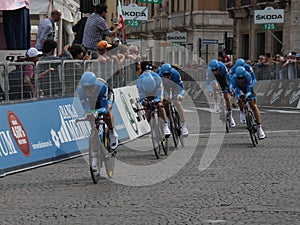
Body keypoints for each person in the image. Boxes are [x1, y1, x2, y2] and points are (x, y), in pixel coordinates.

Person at [77, 72, 119, 151]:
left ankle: (112, 132)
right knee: (91, 117)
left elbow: (104, 108)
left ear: (95, 85)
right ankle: (95, 150)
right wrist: (89, 112)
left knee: (107, 111)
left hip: (105, 97)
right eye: (85, 88)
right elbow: (86, 106)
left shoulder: (102, 87)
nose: (88, 90)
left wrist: (96, 112)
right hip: (93, 100)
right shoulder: (80, 90)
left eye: (90, 87)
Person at [230, 66, 265, 139]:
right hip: (239, 89)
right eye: (239, 78)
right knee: (240, 99)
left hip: (247, 88)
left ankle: (259, 127)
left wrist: (247, 95)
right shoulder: (233, 78)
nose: (241, 80)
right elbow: (236, 90)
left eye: (242, 78)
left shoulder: (248, 76)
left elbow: (249, 89)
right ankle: (242, 111)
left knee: (253, 106)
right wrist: (240, 95)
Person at [136, 66, 171, 137]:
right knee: (147, 109)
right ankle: (153, 128)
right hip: (145, 93)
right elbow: (141, 96)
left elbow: (159, 96)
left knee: (159, 105)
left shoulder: (158, 79)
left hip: (156, 91)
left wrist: (156, 101)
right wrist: (144, 102)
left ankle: (165, 125)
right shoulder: (139, 82)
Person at [158, 63, 189, 136]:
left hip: (175, 87)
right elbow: (158, 89)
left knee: (177, 103)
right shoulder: (158, 75)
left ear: (171, 73)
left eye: (168, 75)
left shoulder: (176, 74)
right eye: (164, 75)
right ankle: (167, 118)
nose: (166, 77)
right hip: (164, 88)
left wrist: (180, 95)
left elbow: (181, 89)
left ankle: (183, 125)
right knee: (164, 100)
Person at [208, 59, 236, 127]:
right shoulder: (209, 71)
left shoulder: (223, 67)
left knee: (226, 96)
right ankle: (216, 103)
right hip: (214, 79)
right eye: (213, 70)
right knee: (214, 86)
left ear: (219, 68)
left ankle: (230, 115)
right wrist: (209, 90)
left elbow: (228, 79)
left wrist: (230, 88)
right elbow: (208, 82)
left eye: (216, 70)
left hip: (222, 78)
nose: (215, 72)